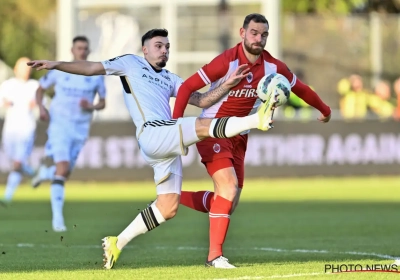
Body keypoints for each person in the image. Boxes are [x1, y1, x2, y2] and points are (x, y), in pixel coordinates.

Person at [28, 28, 278, 269]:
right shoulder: (130, 63)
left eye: (167, 47)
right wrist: (56, 63)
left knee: (168, 207)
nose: (164, 51)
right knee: (202, 125)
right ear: (144, 50)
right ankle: (257, 120)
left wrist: (226, 85)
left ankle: (117, 242)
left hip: (164, 140)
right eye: (158, 46)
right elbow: (92, 68)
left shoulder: (170, 78)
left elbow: (201, 99)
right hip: (153, 131)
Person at [172, 13, 331, 268]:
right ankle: (214, 257)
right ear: (242, 33)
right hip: (212, 129)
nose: (259, 38)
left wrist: (324, 109)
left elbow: (300, 88)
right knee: (228, 188)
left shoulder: (273, 68)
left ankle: (172, 197)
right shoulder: (227, 61)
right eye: (254, 33)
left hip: (239, 136)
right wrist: (175, 127)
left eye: (264, 34)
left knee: (227, 203)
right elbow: (186, 87)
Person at [31, 36, 107, 232]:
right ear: (72, 50)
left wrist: (91, 106)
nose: (82, 51)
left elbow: (103, 102)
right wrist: (41, 108)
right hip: (59, 126)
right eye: (78, 48)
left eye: (85, 48)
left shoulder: (96, 75)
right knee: (63, 168)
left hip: (80, 129)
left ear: (88, 52)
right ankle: (58, 219)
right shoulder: (60, 71)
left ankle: (45, 173)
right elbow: (40, 89)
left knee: (64, 173)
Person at [0, 57, 39, 205]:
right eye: (23, 68)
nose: (26, 71)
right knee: (14, 162)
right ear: (15, 69)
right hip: (10, 130)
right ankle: (33, 173)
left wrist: (37, 105)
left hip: (26, 129)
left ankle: (7, 197)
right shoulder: (7, 85)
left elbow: (43, 104)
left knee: (17, 163)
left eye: (28, 68)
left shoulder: (34, 86)